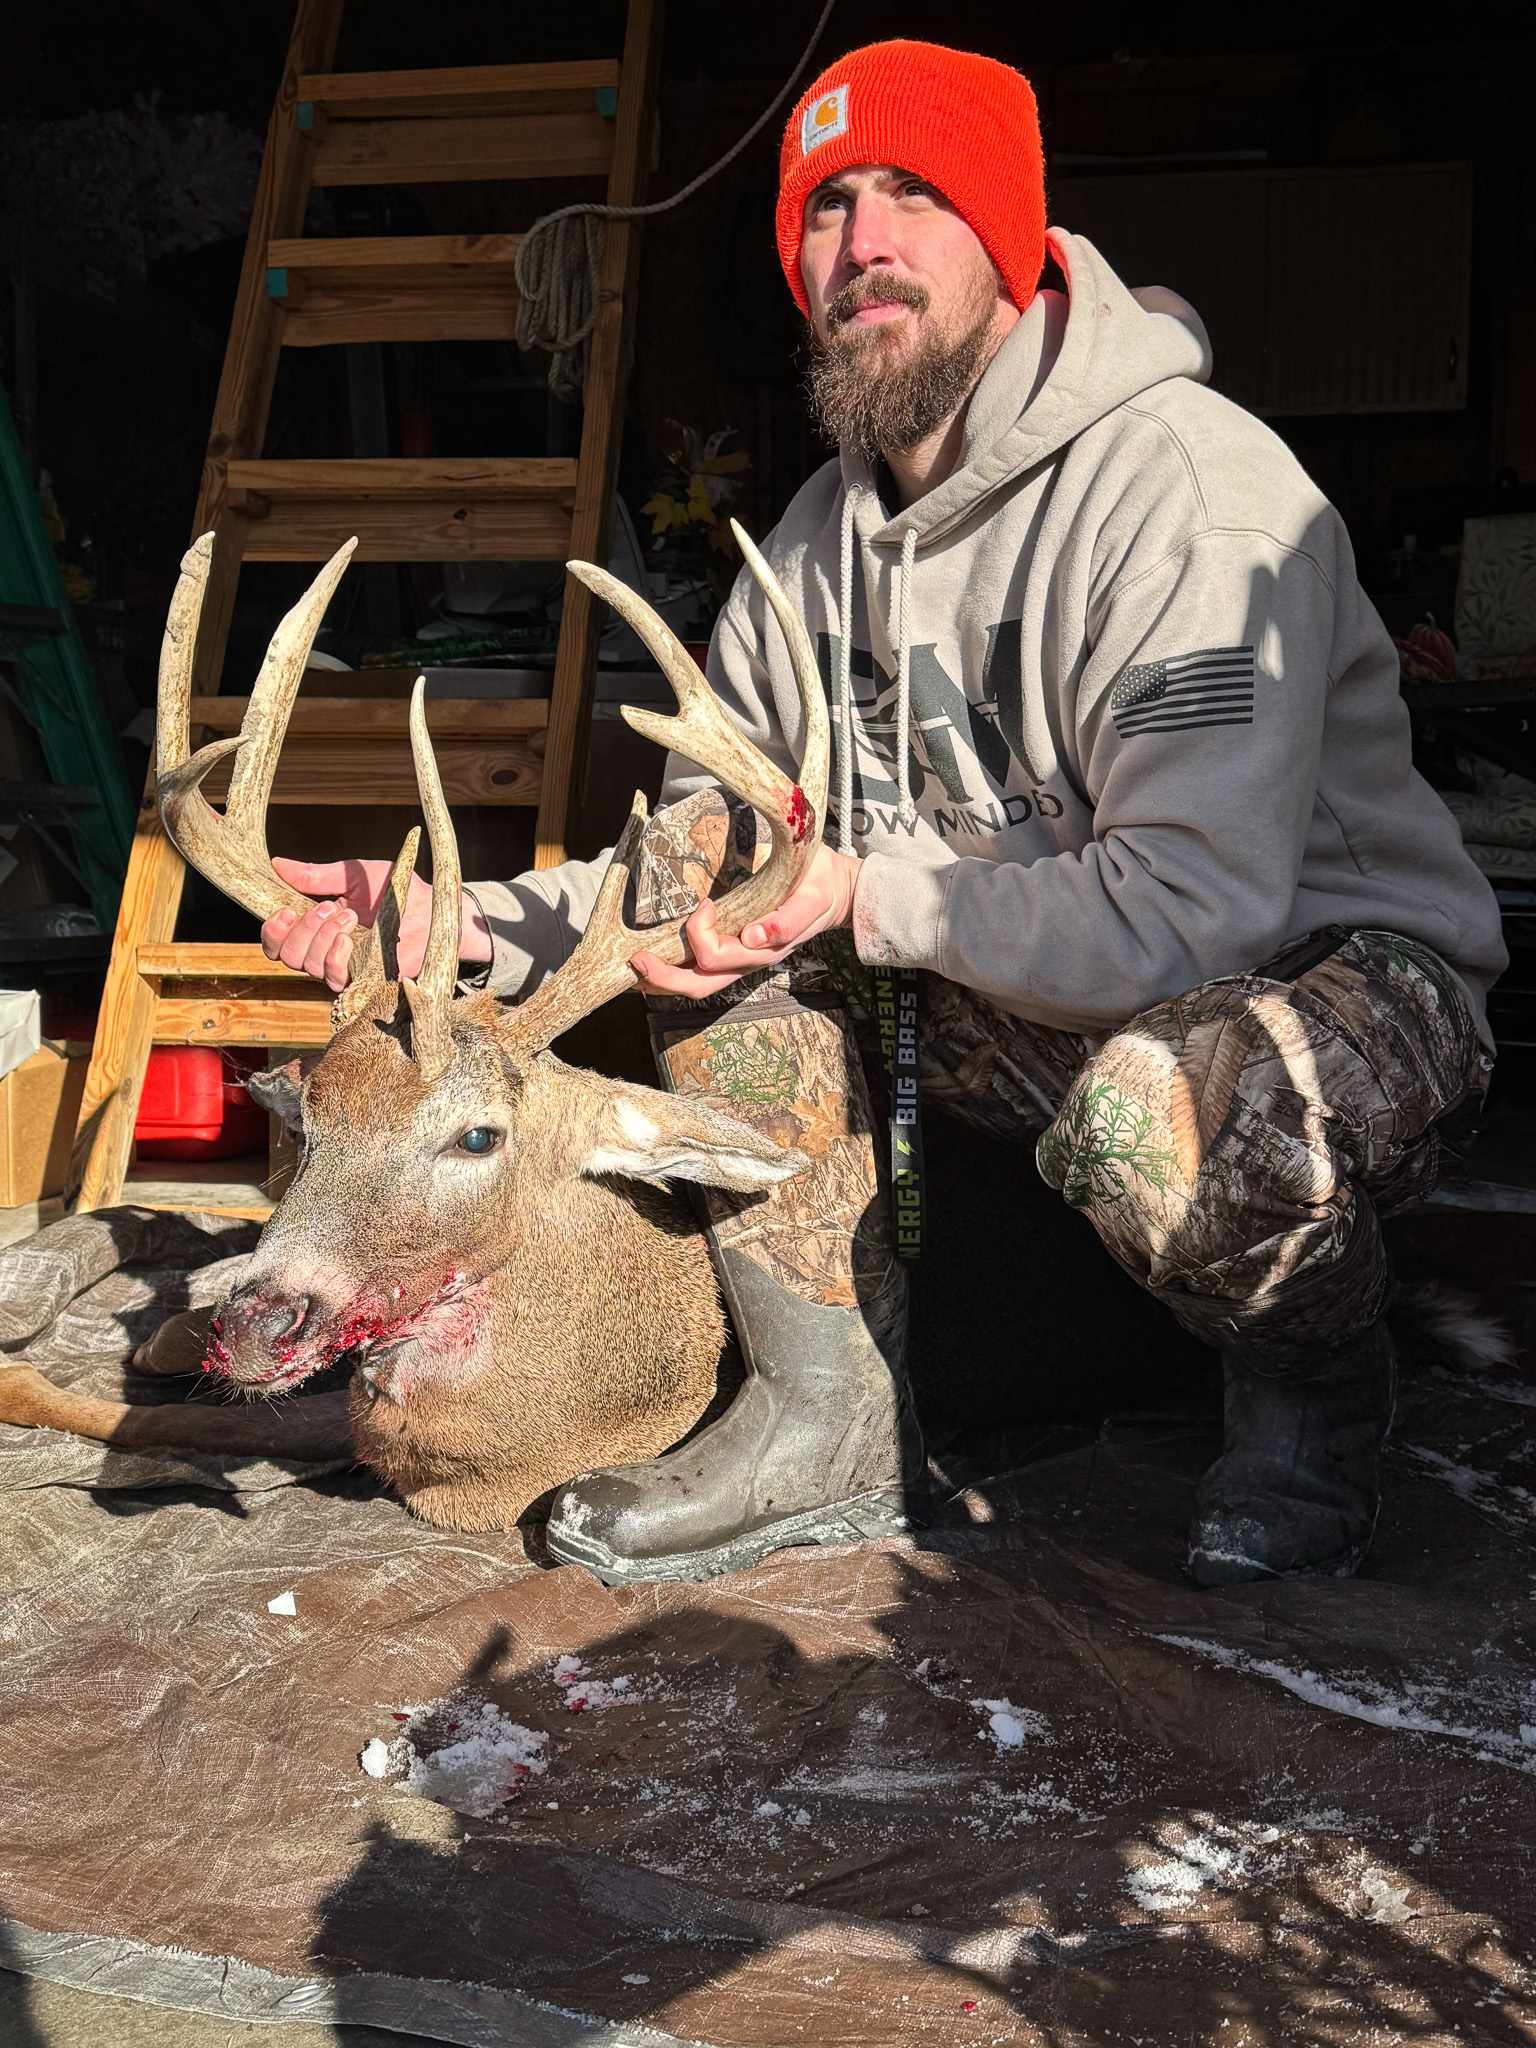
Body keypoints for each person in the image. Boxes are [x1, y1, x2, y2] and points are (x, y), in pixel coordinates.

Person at [260, 40, 1505, 1589]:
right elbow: (695, 865)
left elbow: (1202, 910)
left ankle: (1318, 1389)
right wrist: (469, 925)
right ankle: (827, 1423)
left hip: (1331, 991)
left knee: (1155, 1122)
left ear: (1013, 235)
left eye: (917, 195)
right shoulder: (817, 542)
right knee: (717, 938)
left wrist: (864, 894)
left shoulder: (1191, 492)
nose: (865, 244)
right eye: (829, 207)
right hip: (1021, 977)